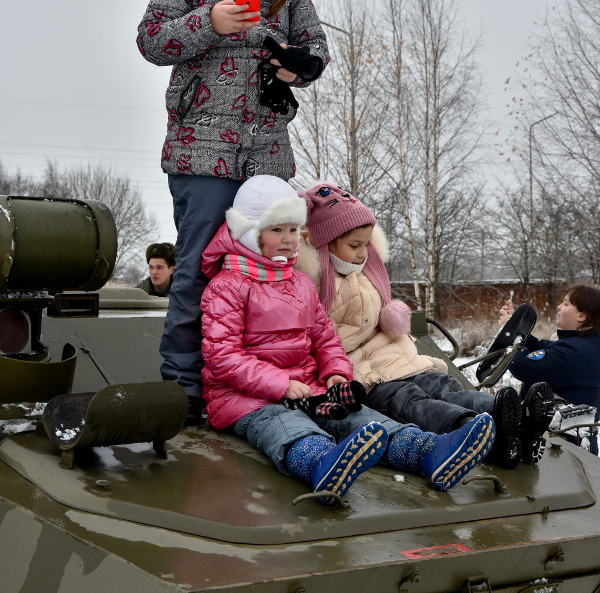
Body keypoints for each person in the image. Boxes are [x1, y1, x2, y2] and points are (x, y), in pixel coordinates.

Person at [137, 0, 329, 419]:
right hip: (201, 151)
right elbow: (150, 41)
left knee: (274, 272)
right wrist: (208, 22)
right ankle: (186, 390)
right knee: (198, 267)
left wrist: (298, 65)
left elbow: (315, 44)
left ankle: (269, 383)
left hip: (266, 151)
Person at [200, 175, 495, 503]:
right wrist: (278, 384)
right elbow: (222, 356)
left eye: (293, 230)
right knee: (286, 427)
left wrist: (336, 371)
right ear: (250, 233)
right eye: (276, 230)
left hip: (308, 388)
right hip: (246, 399)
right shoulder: (227, 287)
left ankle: (429, 452)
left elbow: (325, 338)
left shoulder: (300, 284)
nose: (288, 239)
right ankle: (320, 466)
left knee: (365, 420)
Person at [295, 182, 553, 469]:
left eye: (366, 245)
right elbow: (315, 339)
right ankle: (474, 428)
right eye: (354, 246)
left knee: (441, 385)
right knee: (412, 403)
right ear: (323, 241)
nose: (362, 254)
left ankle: (512, 417)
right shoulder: (310, 284)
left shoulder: (364, 273)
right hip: (364, 376)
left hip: (395, 358)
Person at [501, 285, 600, 421]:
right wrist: (514, 325)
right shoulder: (588, 343)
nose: (559, 306)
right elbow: (541, 349)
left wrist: (510, 334)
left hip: (551, 438)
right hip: (559, 434)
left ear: (581, 315)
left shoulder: (573, 352)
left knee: (469, 401)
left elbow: (522, 367)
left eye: (565, 303)